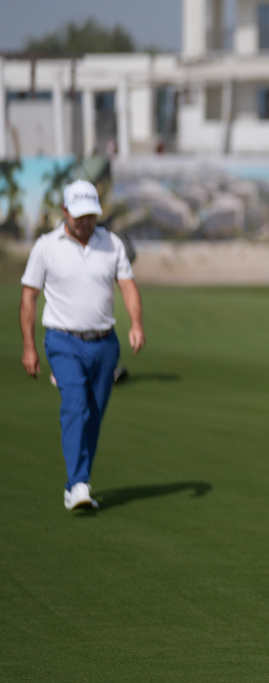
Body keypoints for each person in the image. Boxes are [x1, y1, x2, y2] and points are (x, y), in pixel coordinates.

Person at [20, 179, 146, 510]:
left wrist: (136, 324)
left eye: (91, 215)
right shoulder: (46, 246)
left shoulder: (112, 243)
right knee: (76, 405)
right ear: (65, 211)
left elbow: (128, 286)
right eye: (79, 215)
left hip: (105, 344)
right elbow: (29, 297)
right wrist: (29, 347)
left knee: (94, 415)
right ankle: (78, 484)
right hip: (63, 340)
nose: (86, 221)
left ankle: (76, 483)